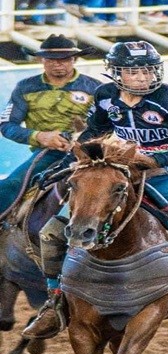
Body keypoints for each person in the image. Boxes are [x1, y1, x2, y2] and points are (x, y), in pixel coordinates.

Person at [23, 41, 168, 344]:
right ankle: (55, 303)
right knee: (52, 233)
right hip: (116, 172)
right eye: (133, 71)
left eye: (147, 70)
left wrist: (156, 160)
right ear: (117, 74)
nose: (142, 77)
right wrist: (80, 153)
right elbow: (93, 131)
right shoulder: (105, 96)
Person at [0, 35, 99, 220]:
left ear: (74, 60)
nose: (58, 64)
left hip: (91, 154)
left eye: (65, 60)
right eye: (52, 60)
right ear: (41, 60)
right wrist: (40, 136)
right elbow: (6, 125)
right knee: (10, 186)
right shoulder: (25, 87)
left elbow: (107, 124)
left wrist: (82, 141)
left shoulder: (95, 88)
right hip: (46, 154)